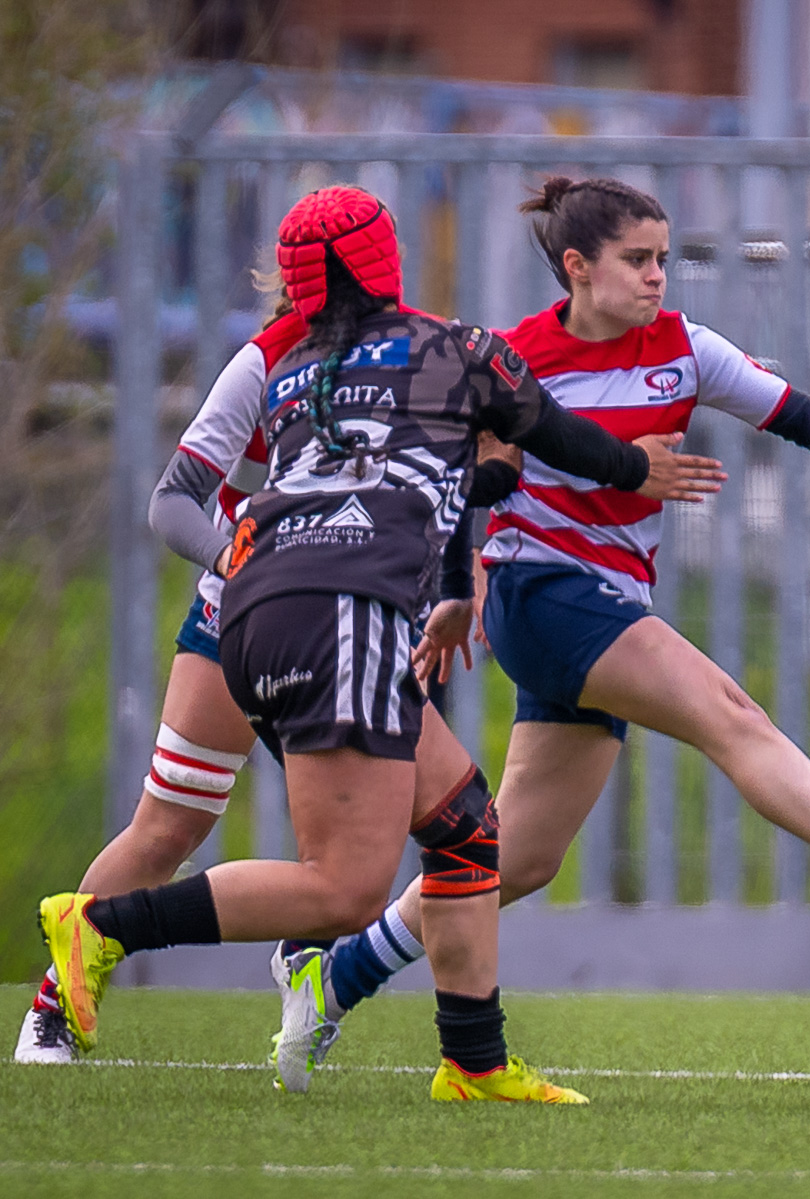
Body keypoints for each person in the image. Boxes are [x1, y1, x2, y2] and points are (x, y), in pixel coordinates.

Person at [270, 175, 810, 1054]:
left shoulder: (684, 348)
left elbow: (799, 417)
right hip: (542, 596)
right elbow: (471, 478)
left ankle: (339, 975)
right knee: (729, 714)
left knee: (516, 859)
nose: (658, 276)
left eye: (663, 258)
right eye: (638, 260)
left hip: (608, 601)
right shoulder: (517, 357)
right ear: (578, 268)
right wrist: (461, 580)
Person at [36, 185, 712, 1103]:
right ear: (385, 260)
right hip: (294, 603)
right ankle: (96, 941)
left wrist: (451, 582)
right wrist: (635, 467)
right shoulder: (394, 353)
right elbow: (183, 500)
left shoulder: (347, 359)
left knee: (464, 823)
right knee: (315, 873)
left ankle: (472, 1061)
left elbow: (436, 480)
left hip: (309, 606)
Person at [13, 281, 522, 1065]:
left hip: (354, 621)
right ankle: (57, 1000)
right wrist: (235, 559)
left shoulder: (412, 354)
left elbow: (455, 470)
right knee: (171, 824)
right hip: (248, 614)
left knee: (435, 827)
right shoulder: (266, 361)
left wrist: (466, 559)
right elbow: (174, 501)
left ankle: (348, 984)